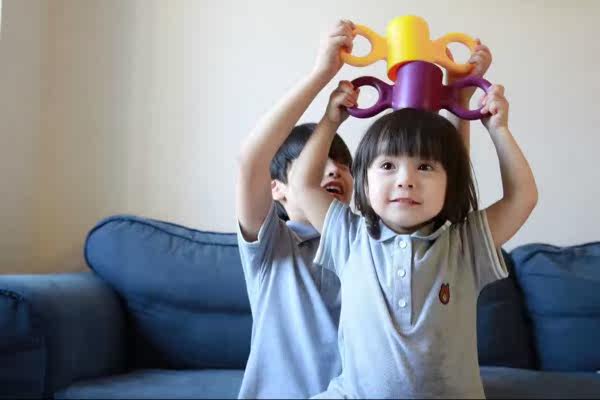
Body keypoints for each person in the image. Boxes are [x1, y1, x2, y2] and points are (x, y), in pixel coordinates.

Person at [289, 78, 538, 398]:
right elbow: (303, 185)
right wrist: (330, 121)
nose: (405, 180)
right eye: (388, 165)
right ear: (364, 183)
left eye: (425, 167)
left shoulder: (466, 244)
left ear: (450, 185)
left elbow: (522, 197)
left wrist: (498, 130)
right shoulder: (349, 237)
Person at [234, 20, 355, 398]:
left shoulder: (364, 246)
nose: (335, 170)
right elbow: (252, 159)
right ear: (278, 189)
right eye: (316, 163)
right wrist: (322, 74)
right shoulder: (272, 245)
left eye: (343, 164)